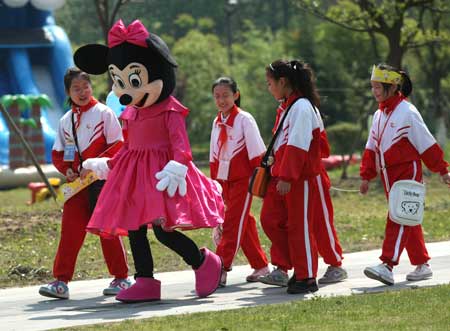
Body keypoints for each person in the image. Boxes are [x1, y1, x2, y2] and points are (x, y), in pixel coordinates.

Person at [74, 19, 224, 302]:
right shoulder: (131, 113)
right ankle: (145, 280)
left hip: (163, 175)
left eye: (132, 80)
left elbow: (182, 146)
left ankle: (203, 262)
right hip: (134, 175)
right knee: (134, 227)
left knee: (163, 231)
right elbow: (128, 147)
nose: (126, 91)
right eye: (120, 81)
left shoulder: (169, 110)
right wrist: (107, 164)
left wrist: (178, 167)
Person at [39, 68, 131, 299]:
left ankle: (121, 278)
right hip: (77, 186)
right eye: (76, 89)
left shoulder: (104, 113)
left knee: (107, 230)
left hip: (102, 182)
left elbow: (118, 146)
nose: (82, 92)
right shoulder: (65, 120)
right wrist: (68, 170)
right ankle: (60, 281)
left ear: (91, 86)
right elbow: (61, 154)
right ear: (68, 92)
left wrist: (95, 165)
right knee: (70, 231)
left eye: (85, 86)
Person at [360, 64, 450, 285]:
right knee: (407, 217)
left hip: (407, 171)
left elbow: (426, 143)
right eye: (372, 87)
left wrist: (442, 170)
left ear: (392, 86)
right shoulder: (379, 114)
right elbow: (371, 147)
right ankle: (422, 264)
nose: (374, 91)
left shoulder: (407, 111)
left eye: (378, 86)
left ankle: (387, 265)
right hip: (388, 176)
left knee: (398, 216)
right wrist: (365, 175)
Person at [258, 59, 323, 294]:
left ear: (282, 82)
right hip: (282, 177)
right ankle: (289, 265)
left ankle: (306, 276)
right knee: (270, 219)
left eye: (269, 83)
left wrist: (286, 176)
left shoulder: (302, 107)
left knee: (300, 227)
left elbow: (298, 146)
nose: (269, 88)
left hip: (298, 179)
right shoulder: (288, 107)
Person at [209, 77, 269, 286]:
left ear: (236, 95)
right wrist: (214, 183)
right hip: (224, 181)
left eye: (225, 95)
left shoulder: (245, 119)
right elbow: (213, 154)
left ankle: (220, 267)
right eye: (217, 96)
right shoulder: (216, 122)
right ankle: (261, 265)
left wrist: (261, 180)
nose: (221, 100)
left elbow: (257, 153)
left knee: (232, 222)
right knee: (244, 221)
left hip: (244, 181)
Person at [314, 127, 348, 284]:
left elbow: (324, 149)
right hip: (292, 176)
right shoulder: (282, 111)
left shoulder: (306, 107)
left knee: (321, 221)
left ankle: (335, 264)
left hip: (313, 174)